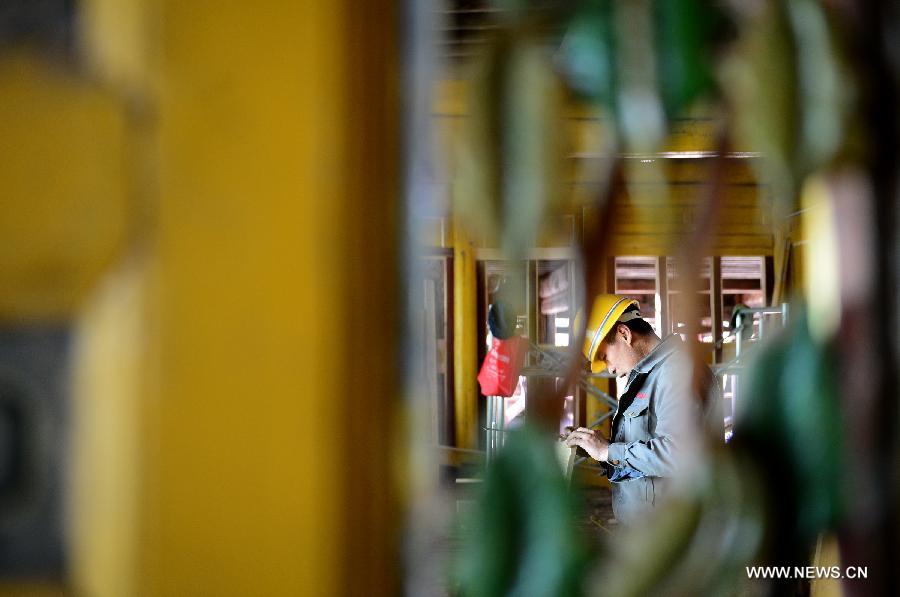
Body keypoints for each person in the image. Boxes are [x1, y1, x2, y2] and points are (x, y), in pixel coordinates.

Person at [565, 295, 721, 524]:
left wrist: (608, 452)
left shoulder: (677, 373)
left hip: (674, 534)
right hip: (649, 532)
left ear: (624, 334)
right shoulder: (648, 376)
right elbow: (644, 452)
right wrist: (595, 449)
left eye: (604, 357)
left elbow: (679, 454)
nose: (610, 369)